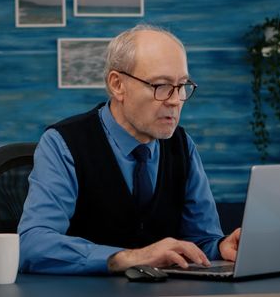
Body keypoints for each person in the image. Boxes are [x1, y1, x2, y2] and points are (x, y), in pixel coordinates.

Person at [18, 24, 241, 274]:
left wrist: (220, 246)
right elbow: (32, 244)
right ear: (117, 85)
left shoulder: (182, 145)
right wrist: (128, 258)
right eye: (161, 85)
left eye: (181, 85)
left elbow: (201, 240)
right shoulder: (63, 143)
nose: (175, 100)